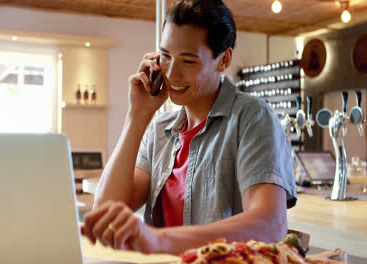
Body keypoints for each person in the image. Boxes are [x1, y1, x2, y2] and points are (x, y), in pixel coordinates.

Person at [83, 0, 297, 255]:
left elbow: (270, 225)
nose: (172, 73)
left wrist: (159, 239)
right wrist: (137, 116)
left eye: (188, 60)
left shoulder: (252, 117)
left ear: (223, 59)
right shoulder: (158, 130)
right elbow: (105, 212)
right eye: (166, 56)